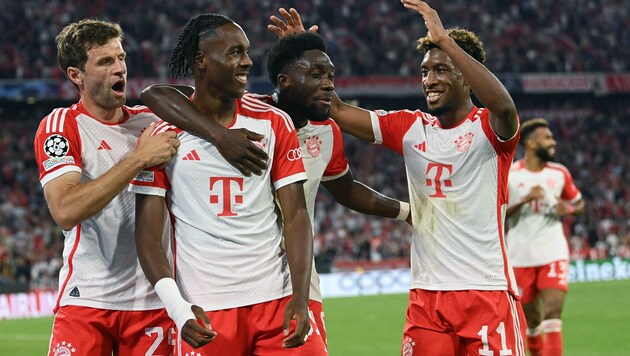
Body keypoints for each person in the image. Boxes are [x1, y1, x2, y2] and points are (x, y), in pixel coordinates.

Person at [268, 2, 527, 354]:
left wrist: (446, 42)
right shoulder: (411, 127)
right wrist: (299, 51)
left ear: (466, 75)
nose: (429, 80)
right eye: (425, 71)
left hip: (487, 289)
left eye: (441, 70)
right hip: (427, 298)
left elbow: (506, 108)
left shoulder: (490, 129)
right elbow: (338, 110)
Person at [141, 30, 413, 346]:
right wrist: (220, 135)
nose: (329, 85)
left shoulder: (326, 134)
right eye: (316, 74)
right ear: (284, 81)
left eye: (331, 76)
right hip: (223, 289)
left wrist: (406, 211)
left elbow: (347, 190)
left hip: (297, 286)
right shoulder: (251, 112)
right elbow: (157, 95)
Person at [129, 13, 327, 355]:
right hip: (206, 307)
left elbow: (296, 216)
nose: (248, 61)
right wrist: (177, 308)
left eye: (247, 52)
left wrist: (299, 296)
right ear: (201, 61)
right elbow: (148, 238)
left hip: (276, 301)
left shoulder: (273, 121)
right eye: (235, 52)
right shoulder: (163, 138)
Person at [33, 19, 181, 355]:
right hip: (86, 300)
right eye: (105, 62)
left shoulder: (151, 122)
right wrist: (138, 159)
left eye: (121, 58)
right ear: (76, 76)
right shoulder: (62, 125)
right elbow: (65, 210)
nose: (120, 69)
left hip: (152, 301)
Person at [506, 118, 584, 356]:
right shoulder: (510, 174)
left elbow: (578, 203)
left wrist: (568, 209)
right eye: (547, 138)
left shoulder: (560, 173)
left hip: (553, 251)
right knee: (531, 320)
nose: (553, 142)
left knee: (552, 313)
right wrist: (524, 200)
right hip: (521, 255)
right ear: (531, 143)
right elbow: (496, 213)